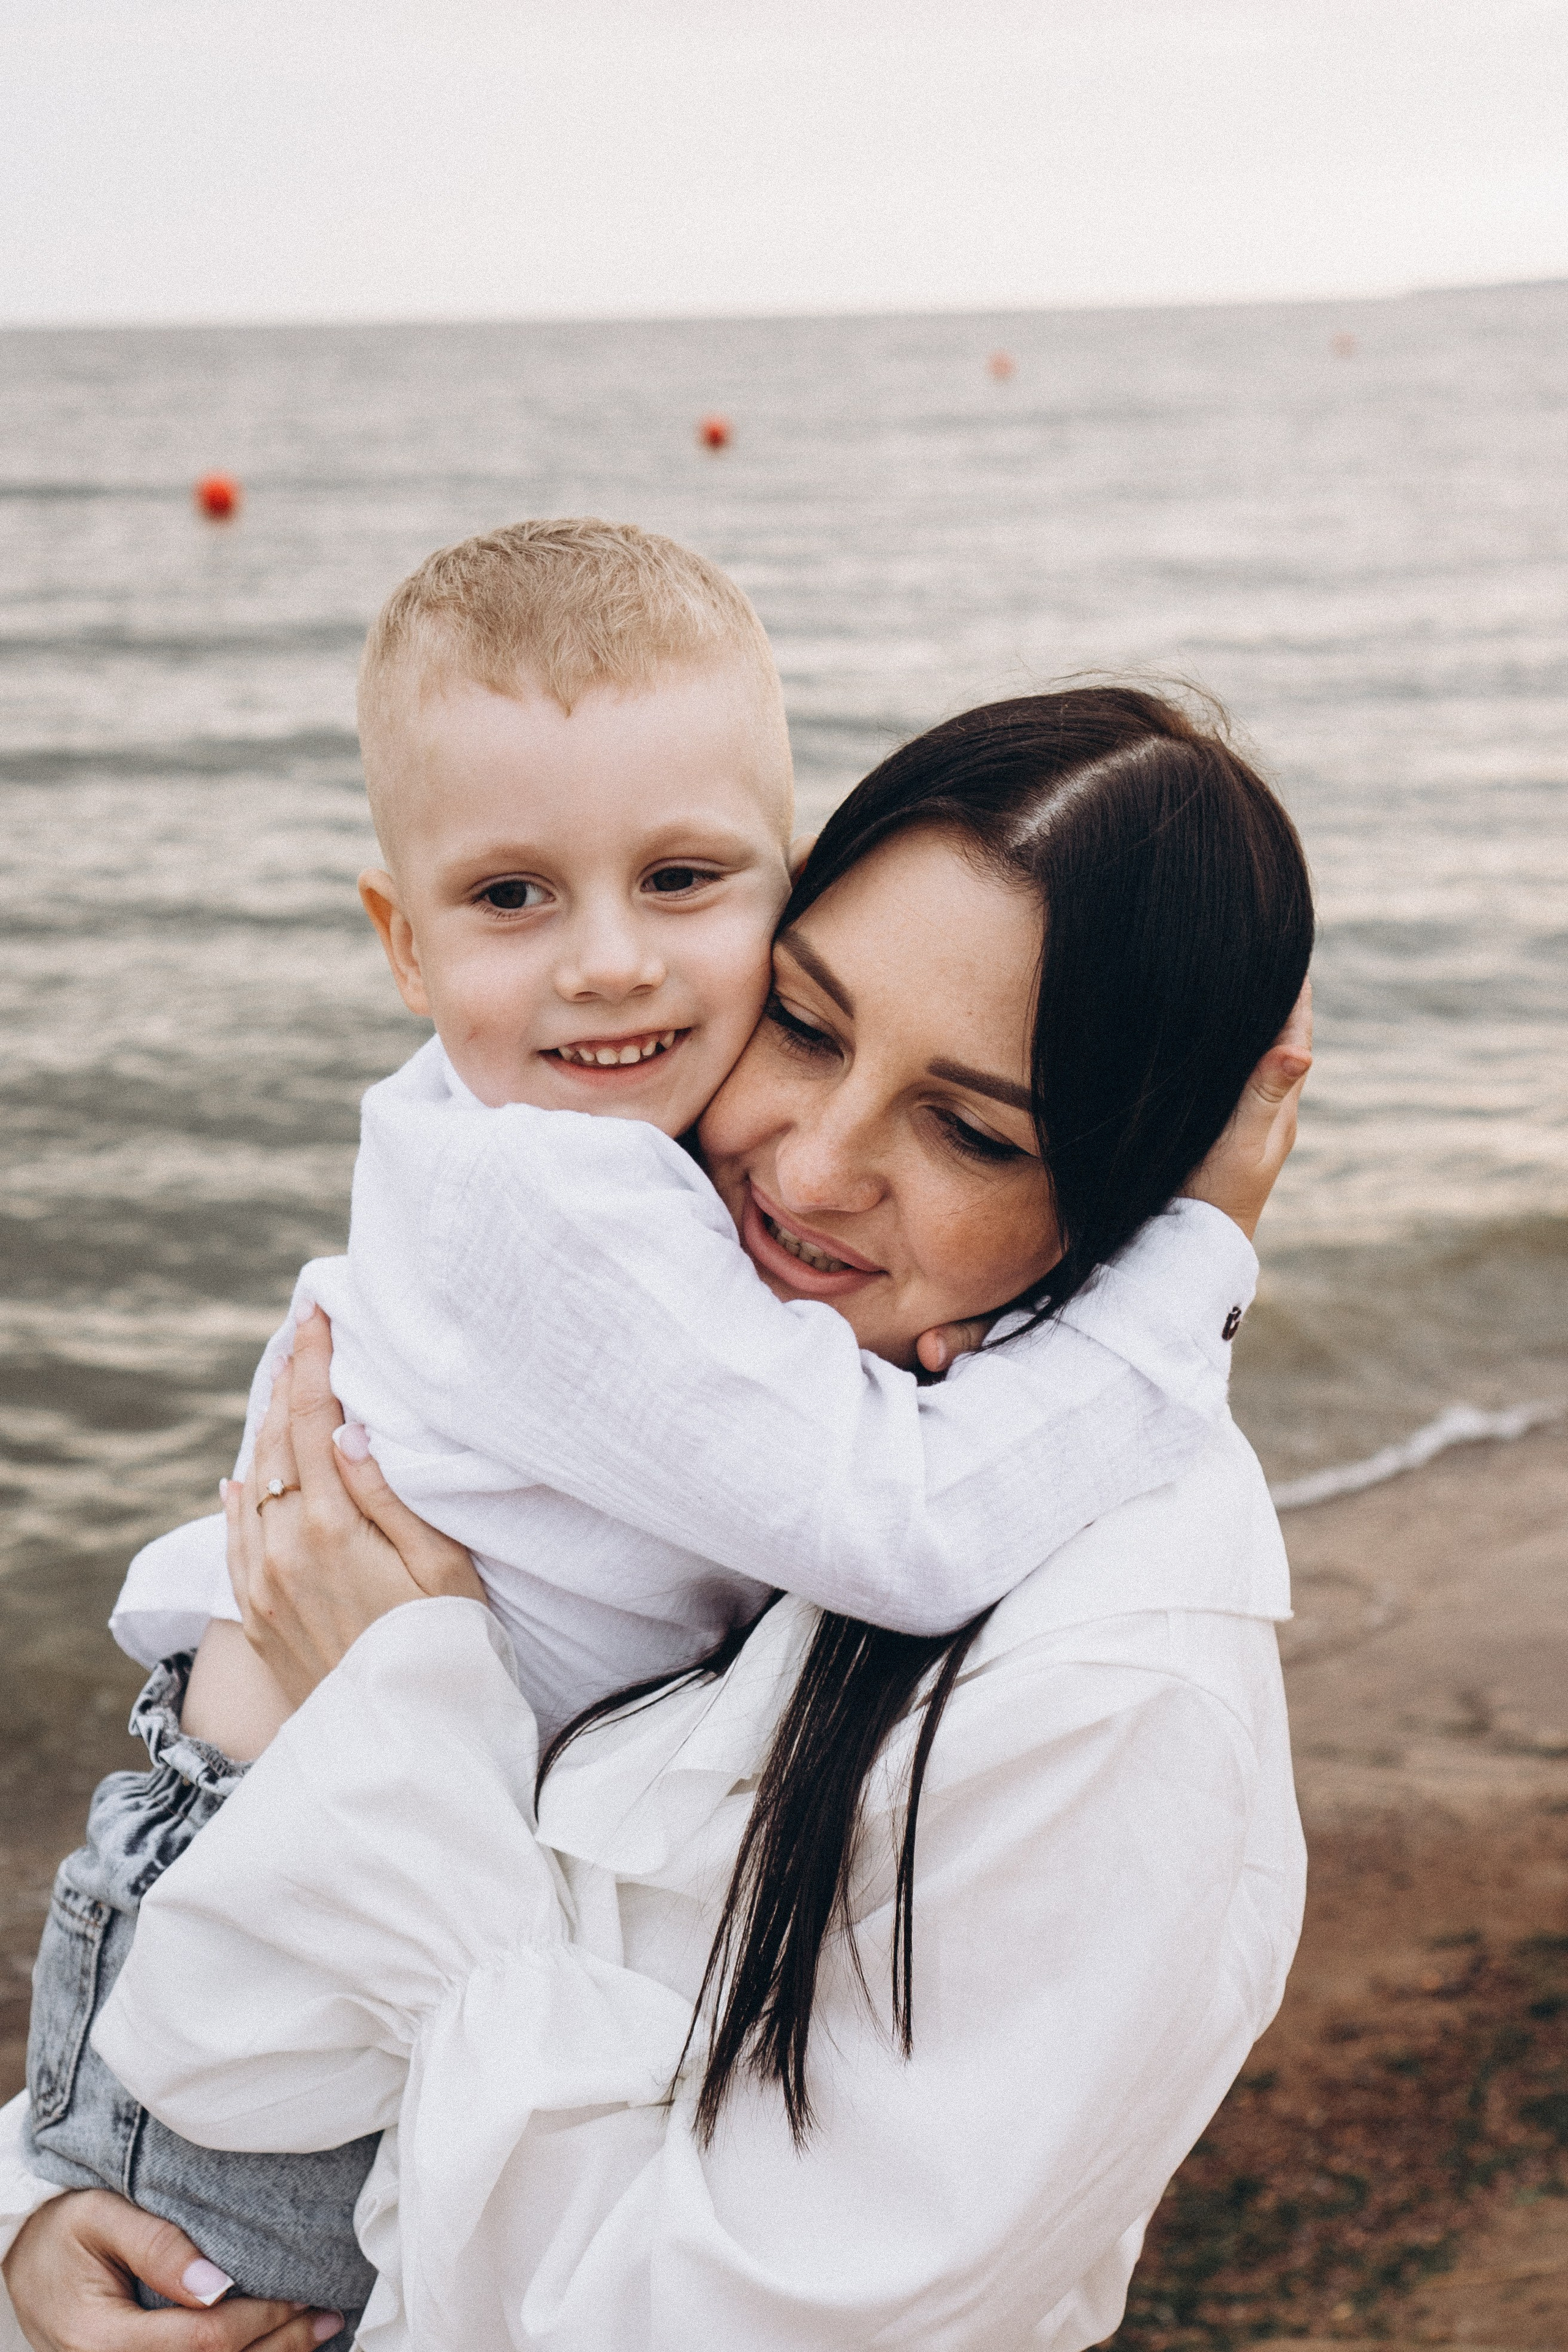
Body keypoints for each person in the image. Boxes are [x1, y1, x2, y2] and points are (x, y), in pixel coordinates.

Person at [13, 514, 1294, 2342]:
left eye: (979, 1131)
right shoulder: (601, 1231)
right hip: (245, 1934)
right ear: (405, 943)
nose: (816, 1162)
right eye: (805, 1024)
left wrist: (407, 1711)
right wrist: (41, 2226)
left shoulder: (1111, 1682)